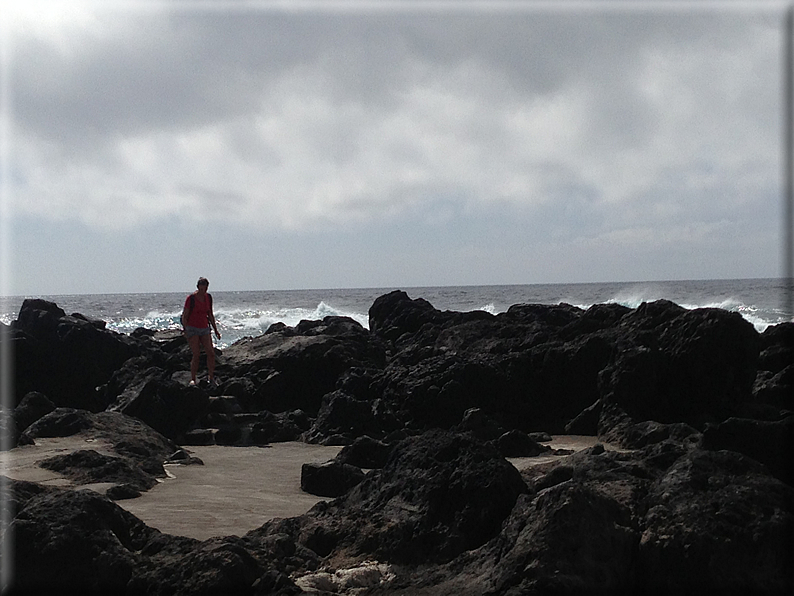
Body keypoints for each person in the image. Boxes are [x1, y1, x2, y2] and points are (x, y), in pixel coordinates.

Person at [181, 277, 221, 386]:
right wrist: (185, 330)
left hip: (204, 328)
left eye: (206, 288)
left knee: (211, 353)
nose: (204, 291)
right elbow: (185, 315)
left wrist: (216, 330)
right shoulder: (191, 298)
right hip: (192, 328)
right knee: (196, 354)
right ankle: (193, 379)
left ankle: (211, 377)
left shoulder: (208, 297)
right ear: (198, 287)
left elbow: (210, 314)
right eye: (202, 288)